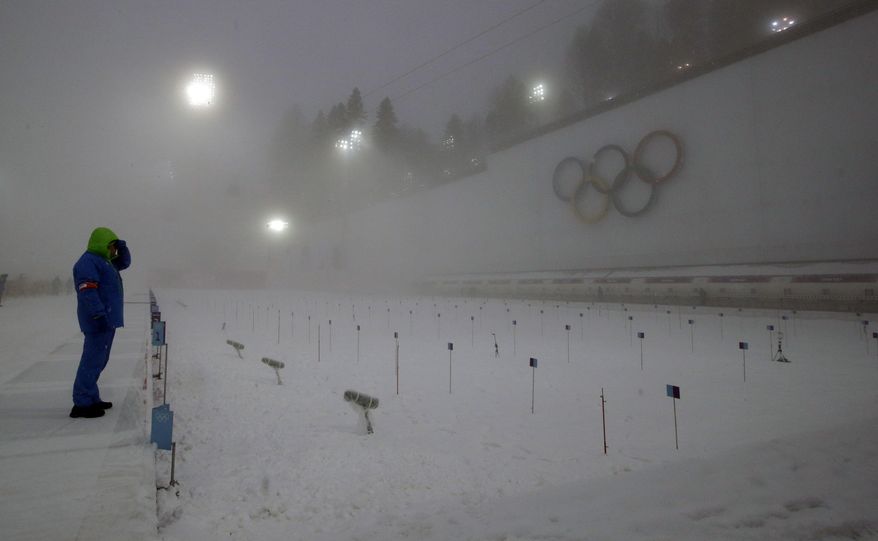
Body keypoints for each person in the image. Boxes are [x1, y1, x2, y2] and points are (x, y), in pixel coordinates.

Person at [70, 227, 131, 418]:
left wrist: (123, 247)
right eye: (112, 247)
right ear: (103, 245)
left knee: (99, 362)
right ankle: (82, 403)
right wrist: (98, 313)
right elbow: (87, 290)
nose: (114, 251)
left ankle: (91, 397)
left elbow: (124, 263)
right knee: (91, 361)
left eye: (114, 248)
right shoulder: (88, 262)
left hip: (107, 320)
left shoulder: (104, 262)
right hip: (98, 321)